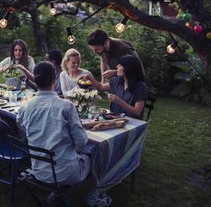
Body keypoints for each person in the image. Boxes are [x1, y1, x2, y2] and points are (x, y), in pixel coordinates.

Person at [16, 61, 91, 204]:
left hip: (38, 169)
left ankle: (58, 194)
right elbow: (82, 142)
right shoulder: (66, 106)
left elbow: (20, 124)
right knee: (90, 156)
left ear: (35, 81)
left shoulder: (26, 106)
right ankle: (94, 194)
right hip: (64, 173)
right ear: (54, 80)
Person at [80, 54, 148, 119]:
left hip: (133, 122)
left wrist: (119, 101)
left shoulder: (141, 87)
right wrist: (89, 78)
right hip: (115, 119)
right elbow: (101, 87)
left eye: (120, 65)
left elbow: (137, 112)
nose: (116, 67)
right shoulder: (117, 80)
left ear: (128, 68)